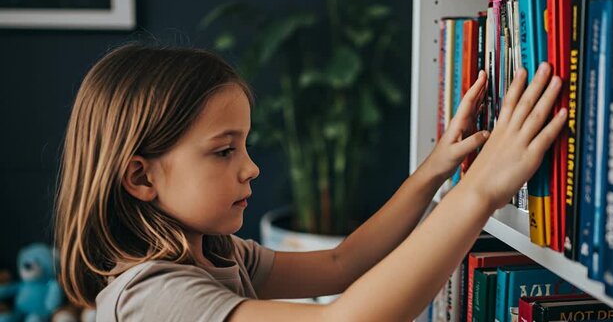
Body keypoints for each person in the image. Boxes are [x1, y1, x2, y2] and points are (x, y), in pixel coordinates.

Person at [53, 43, 566, 321]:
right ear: (141, 176)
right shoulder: (153, 297)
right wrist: (478, 194)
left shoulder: (219, 253)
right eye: (224, 150)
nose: (251, 167)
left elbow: (342, 264)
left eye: (246, 146)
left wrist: (433, 172)